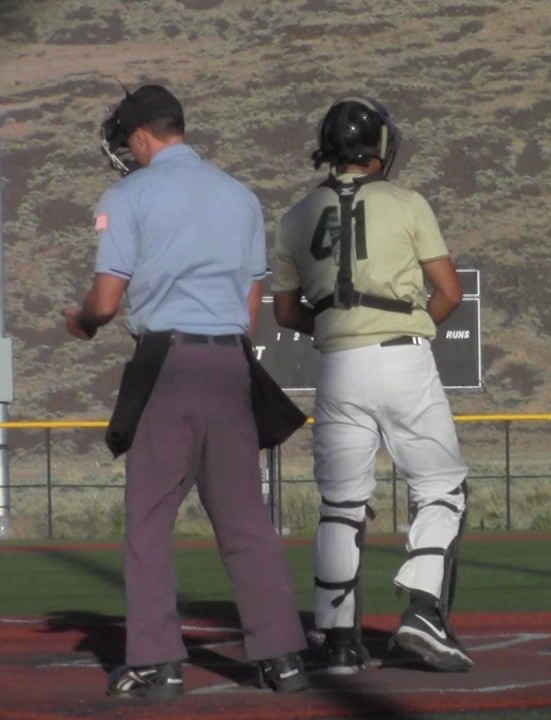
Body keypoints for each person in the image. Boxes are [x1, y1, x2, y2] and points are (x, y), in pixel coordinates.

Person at [63, 84, 309, 697]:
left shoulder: (128, 194)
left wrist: (83, 319)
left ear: (143, 134)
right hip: (230, 363)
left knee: (149, 520)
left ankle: (157, 663)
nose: (126, 151)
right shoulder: (239, 196)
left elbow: (108, 299)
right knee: (245, 522)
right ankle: (282, 659)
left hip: (167, 362)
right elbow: (251, 304)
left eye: (128, 141)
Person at [270, 94, 473, 675]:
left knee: (341, 504)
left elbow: (285, 314)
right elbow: (451, 293)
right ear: (379, 146)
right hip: (402, 357)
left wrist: (338, 325)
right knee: (440, 489)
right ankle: (425, 612)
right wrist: (409, 325)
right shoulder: (408, 203)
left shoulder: (294, 217)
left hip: (338, 365)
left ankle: (336, 642)